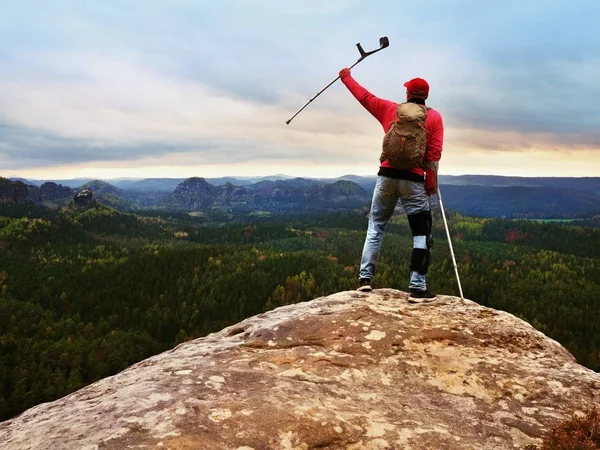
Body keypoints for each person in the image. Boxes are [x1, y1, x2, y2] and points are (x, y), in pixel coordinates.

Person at [339, 68, 443, 302]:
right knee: (420, 233)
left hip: (386, 176)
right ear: (425, 96)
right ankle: (417, 286)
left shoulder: (390, 109)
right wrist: (430, 184)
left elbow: (364, 97)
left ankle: (365, 280)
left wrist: (346, 77)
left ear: (407, 93)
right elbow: (434, 155)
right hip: (414, 181)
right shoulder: (434, 117)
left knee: (376, 226)